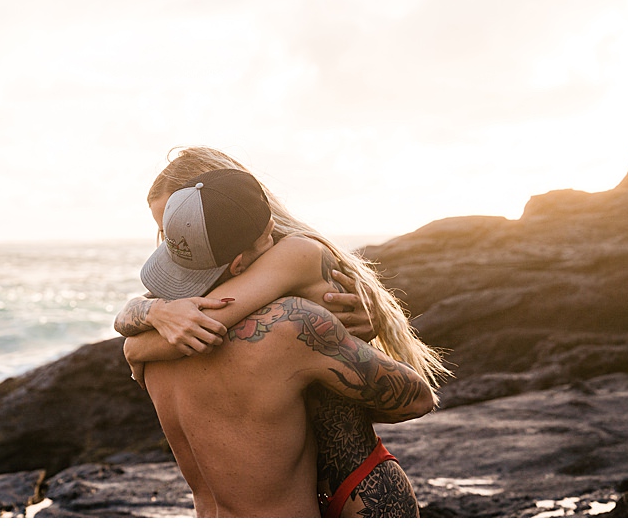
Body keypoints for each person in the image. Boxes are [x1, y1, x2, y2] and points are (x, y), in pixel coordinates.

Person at [114, 148, 450, 517]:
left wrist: (139, 341)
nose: (173, 243)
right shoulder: (236, 294)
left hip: (346, 484)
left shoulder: (295, 256)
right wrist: (154, 312)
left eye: (178, 226)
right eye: (167, 230)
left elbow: (214, 318)